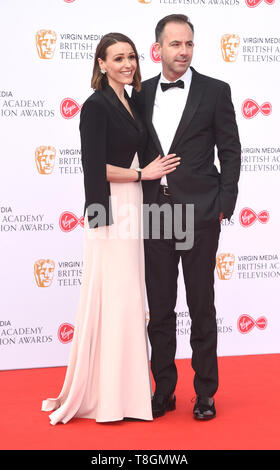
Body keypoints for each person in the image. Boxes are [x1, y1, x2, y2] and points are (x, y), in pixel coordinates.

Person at [41, 32, 179, 424]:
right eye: (117, 58)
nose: (127, 64)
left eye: (131, 57)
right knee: (116, 296)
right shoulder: (96, 105)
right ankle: (110, 398)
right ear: (101, 64)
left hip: (135, 205)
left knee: (131, 296)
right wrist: (141, 173)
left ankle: (127, 393)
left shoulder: (132, 102)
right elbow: (94, 167)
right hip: (112, 207)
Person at [132, 15, 241, 420]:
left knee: (201, 306)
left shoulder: (215, 91)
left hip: (200, 212)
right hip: (156, 211)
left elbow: (231, 150)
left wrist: (223, 204)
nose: (183, 51)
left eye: (189, 44)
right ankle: (163, 390)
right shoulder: (138, 94)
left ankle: (206, 393)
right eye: (175, 44)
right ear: (158, 48)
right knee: (160, 307)